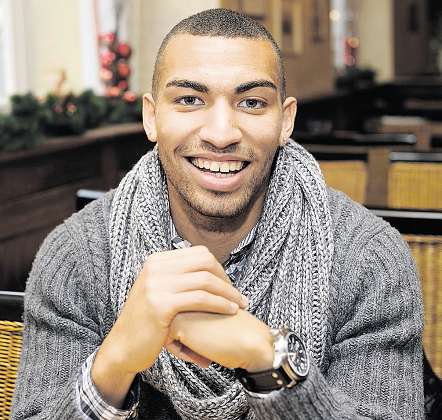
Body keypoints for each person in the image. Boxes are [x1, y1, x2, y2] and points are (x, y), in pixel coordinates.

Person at [12, 8, 424, 420]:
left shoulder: (369, 259)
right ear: (152, 117)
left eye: (252, 102)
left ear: (285, 121)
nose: (221, 133)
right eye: (190, 100)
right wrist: (115, 361)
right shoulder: (77, 256)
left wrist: (268, 361)